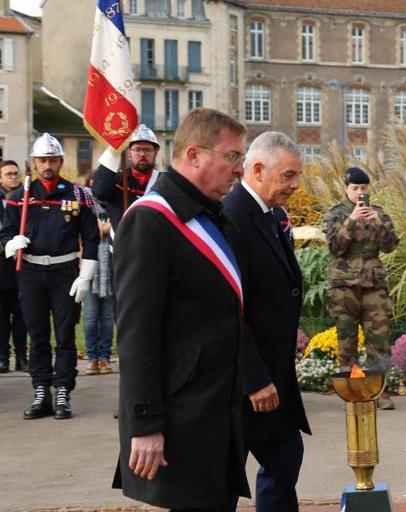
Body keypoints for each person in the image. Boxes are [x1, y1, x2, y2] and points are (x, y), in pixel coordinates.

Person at [112, 108, 250, 510]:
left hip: (216, 409)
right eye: (231, 157)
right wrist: (145, 425)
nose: (239, 170)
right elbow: (137, 333)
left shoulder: (211, 216)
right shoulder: (151, 221)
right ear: (193, 154)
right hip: (180, 414)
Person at [223, 131, 311, 512]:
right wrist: (254, 377)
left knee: (283, 459)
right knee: (224, 479)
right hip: (244, 381)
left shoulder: (269, 214)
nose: (295, 185)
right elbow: (228, 308)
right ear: (257, 169)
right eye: (289, 176)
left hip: (273, 373)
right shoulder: (232, 217)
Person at [0, 134, 99, 420]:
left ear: (60, 162)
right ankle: (41, 390)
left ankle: (63, 391)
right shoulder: (18, 198)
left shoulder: (78, 195)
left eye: (52, 160)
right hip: (31, 272)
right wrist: (10, 243)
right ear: (33, 163)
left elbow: (91, 238)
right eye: (42, 160)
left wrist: (86, 275)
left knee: (65, 334)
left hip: (64, 271)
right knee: (37, 334)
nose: (47, 165)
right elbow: (4, 233)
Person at [321, 166, 399, 409]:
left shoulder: (379, 213)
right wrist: (351, 221)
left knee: (379, 339)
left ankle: (379, 392)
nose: (359, 193)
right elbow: (335, 248)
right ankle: (352, 390)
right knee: (347, 340)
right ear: (346, 189)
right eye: (355, 188)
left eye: (363, 188)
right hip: (344, 285)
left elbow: (390, 246)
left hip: (373, 285)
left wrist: (377, 224)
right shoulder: (337, 214)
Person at [92, 124, 163, 231]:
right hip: (121, 245)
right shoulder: (117, 180)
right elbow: (99, 192)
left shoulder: (164, 182)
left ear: (155, 153)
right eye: (137, 149)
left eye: (148, 150)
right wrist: (114, 149)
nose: (142, 154)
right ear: (129, 153)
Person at [80, 179, 115, 375]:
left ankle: (105, 357)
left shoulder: (114, 206)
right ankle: (92, 357)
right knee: (91, 317)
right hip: (89, 266)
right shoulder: (85, 208)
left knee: (108, 318)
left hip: (111, 267)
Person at [0, 160, 26, 373]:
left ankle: (22, 356)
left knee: (22, 314)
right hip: (1, 263)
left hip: (23, 264)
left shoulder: (26, 199)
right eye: (8, 174)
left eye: (16, 173)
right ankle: (2, 357)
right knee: (1, 315)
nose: (13, 177)